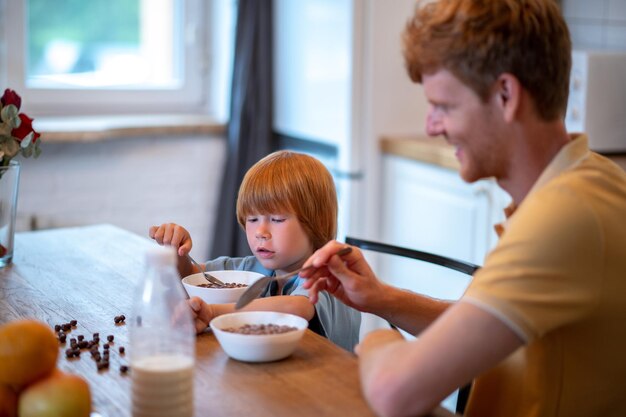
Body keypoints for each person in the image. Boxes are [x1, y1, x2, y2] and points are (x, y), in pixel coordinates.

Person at [300, 0, 626, 416]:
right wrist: (380, 298)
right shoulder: (586, 179)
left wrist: (381, 341)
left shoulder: (564, 217)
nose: (430, 126)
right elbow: (491, 326)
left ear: (506, 95)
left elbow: (391, 391)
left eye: (444, 106)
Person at [149, 150, 360, 351]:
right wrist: (178, 254)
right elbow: (194, 277)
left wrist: (213, 312)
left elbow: (297, 307)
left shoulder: (328, 273)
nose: (260, 231)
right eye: (252, 219)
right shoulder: (255, 268)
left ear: (317, 223)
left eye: (276, 219)